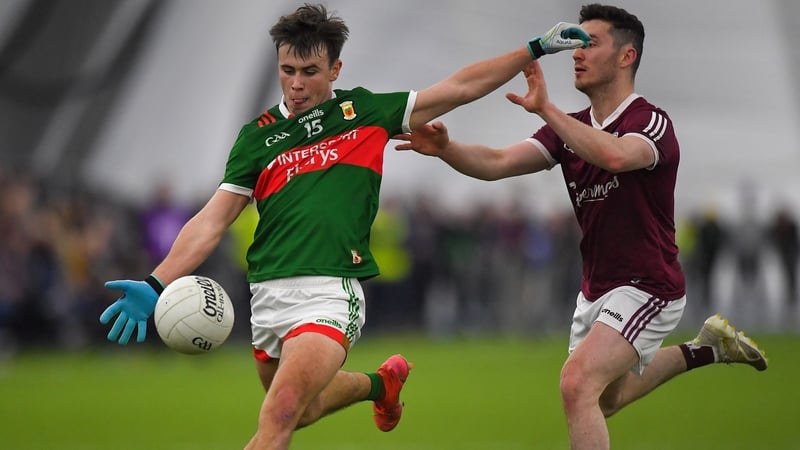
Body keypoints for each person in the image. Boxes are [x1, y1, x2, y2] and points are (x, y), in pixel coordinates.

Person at [98, 4, 590, 449]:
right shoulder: (256, 138)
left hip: (329, 292)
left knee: (279, 415)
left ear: (335, 69)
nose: (296, 84)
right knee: (303, 409)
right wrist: (156, 281)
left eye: (310, 72)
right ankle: (381, 385)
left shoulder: (365, 113)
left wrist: (535, 47)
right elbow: (212, 220)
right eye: (287, 71)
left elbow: (458, 87)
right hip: (266, 299)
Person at [394, 4, 768, 449]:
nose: (576, 52)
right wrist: (448, 149)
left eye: (590, 43)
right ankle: (705, 349)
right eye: (575, 43)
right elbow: (496, 164)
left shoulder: (649, 121)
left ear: (627, 57)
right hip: (596, 288)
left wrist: (546, 109)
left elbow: (613, 156)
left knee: (576, 384)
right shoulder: (570, 128)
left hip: (647, 285)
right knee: (607, 399)